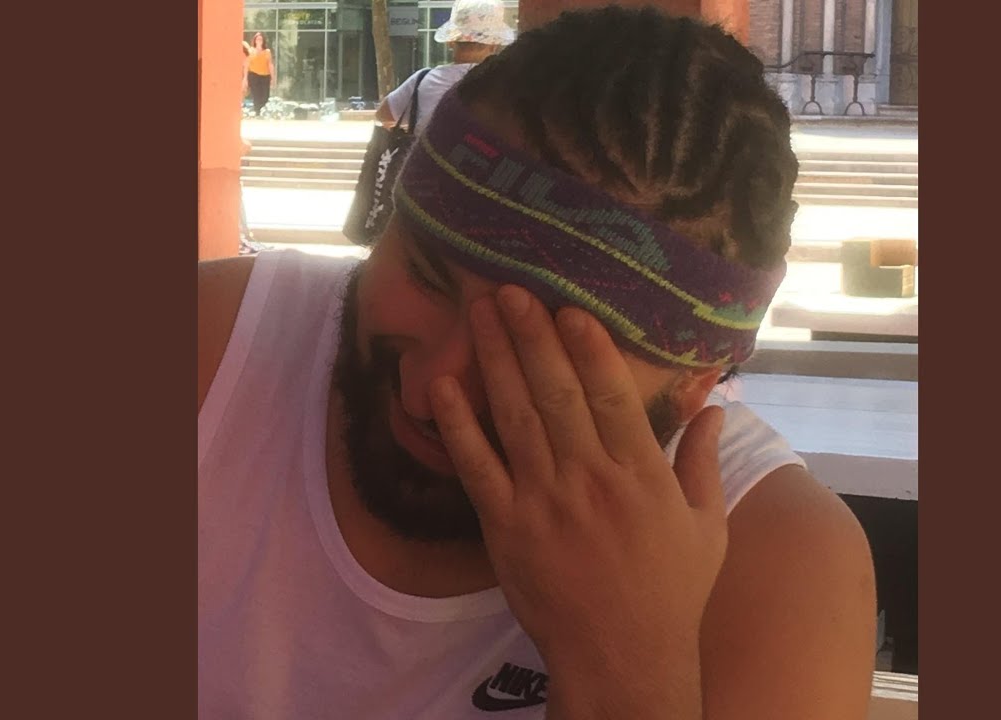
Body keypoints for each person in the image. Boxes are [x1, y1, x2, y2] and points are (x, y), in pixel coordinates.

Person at [199, 7, 877, 719]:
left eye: (540, 348)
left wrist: (623, 659)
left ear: (694, 385)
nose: (433, 392)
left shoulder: (777, 561)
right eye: (427, 277)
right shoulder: (215, 348)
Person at [376, 0, 514, 134]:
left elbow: (383, 115)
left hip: (428, 150)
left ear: (450, 42)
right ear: (494, 44)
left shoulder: (422, 79)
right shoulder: (508, 84)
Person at [243, 32, 275, 116]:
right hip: (254, 75)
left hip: (265, 76)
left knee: (265, 95)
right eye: (257, 39)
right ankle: (257, 112)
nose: (259, 41)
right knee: (256, 95)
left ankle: (263, 111)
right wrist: (245, 78)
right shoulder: (250, 51)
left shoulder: (267, 52)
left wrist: (273, 78)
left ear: (263, 41)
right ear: (255, 40)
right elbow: (247, 65)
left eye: (261, 39)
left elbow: (270, 65)